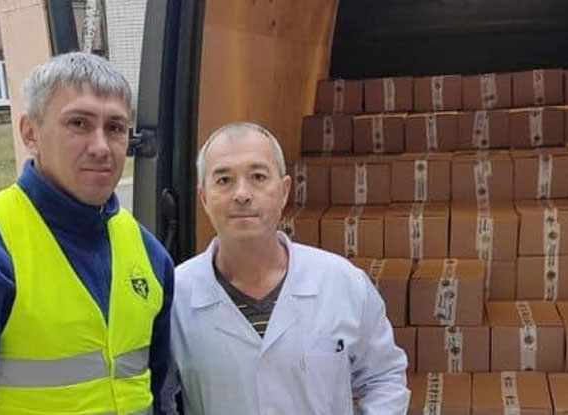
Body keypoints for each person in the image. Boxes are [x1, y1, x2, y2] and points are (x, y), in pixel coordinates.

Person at [0, 52, 175, 415]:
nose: (102, 147)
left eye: (116, 128)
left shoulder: (148, 252)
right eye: (79, 123)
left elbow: (157, 392)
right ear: (30, 133)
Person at [166, 122, 409, 414]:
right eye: (224, 180)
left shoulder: (343, 283)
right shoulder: (175, 296)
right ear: (204, 198)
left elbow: (384, 378)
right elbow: (156, 396)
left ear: (284, 191)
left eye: (258, 177)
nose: (242, 194)